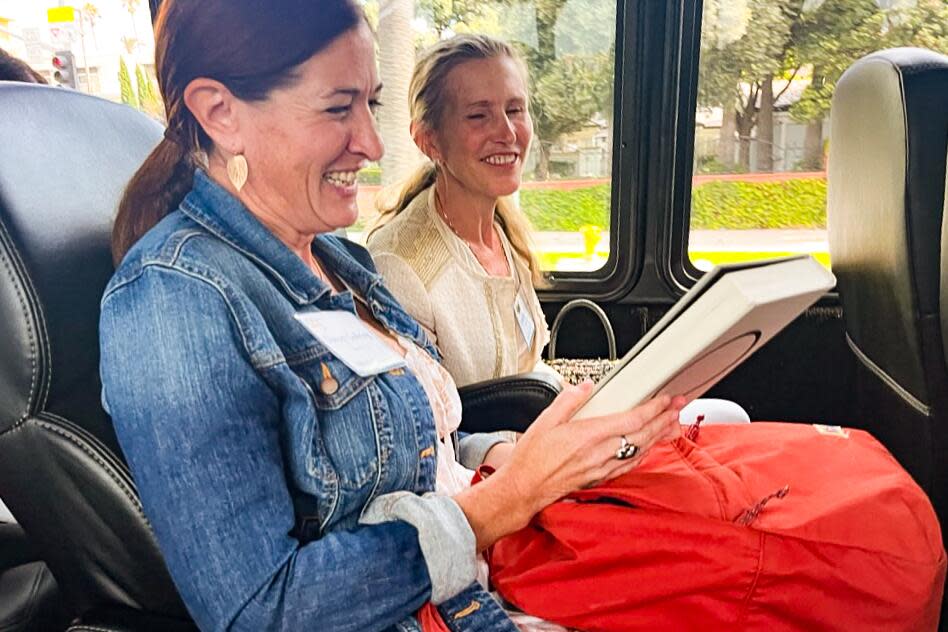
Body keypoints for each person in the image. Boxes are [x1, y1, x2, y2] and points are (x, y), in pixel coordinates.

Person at [98, 2, 684, 631]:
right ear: (219, 113)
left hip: (490, 577)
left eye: (369, 104)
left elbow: (413, 449)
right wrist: (509, 500)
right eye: (336, 107)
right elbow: (262, 613)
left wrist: (524, 454)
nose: (372, 144)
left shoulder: (341, 260)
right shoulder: (174, 301)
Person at [366, 35, 548, 387]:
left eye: (514, 110)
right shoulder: (399, 267)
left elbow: (526, 370)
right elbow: (423, 425)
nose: (507, 132)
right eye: (479, 116)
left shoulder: (504, 236)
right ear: (429, 141)